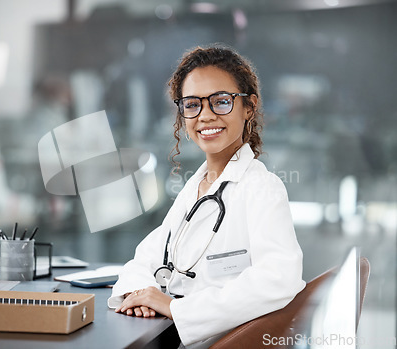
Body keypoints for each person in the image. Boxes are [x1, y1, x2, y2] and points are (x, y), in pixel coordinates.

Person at [108, 45, 305, 348]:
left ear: (249, 107)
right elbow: (144, 259)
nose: (206, 116)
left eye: (221, 102)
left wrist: (176, 308)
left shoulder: (262, 187)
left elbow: (279, 279)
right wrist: (143, 295)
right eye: (192, 105)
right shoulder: (197, 188)